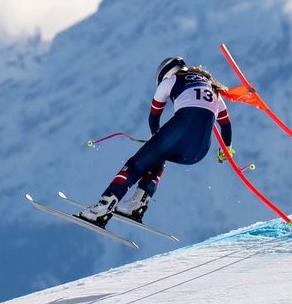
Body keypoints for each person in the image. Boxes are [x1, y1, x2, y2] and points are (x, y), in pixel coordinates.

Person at [80, 57, 233, 225]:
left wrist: (155, 140)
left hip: (180, 130)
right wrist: (225, 151)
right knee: (158, 156)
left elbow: (154, 116)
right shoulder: (213, 89)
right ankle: (137, 204)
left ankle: (103, 207)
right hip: (199, 152)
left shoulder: (172, 80)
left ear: (165, 73)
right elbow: (226, 126)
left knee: (137, 164)